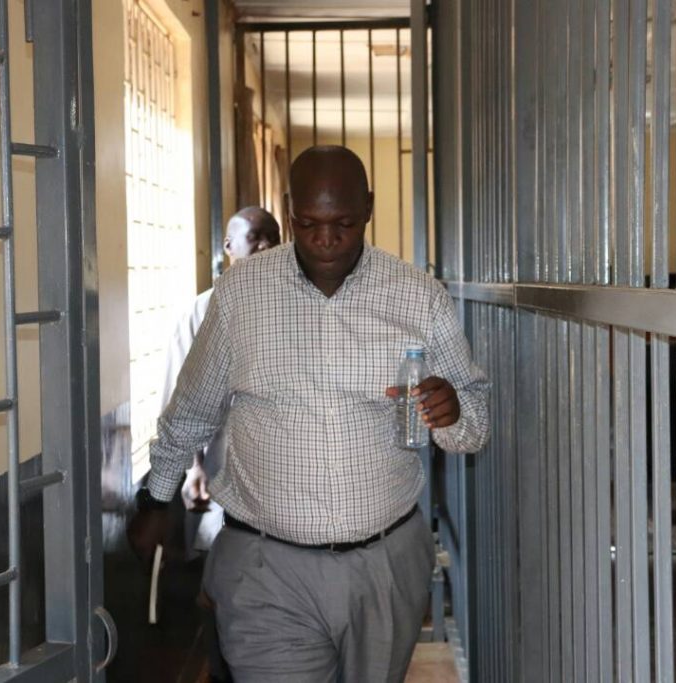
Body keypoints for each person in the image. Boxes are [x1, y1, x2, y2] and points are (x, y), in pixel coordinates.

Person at [129, 146, 490, 682]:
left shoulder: (419, 297)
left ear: (368, 208)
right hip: (266, 568)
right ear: (289, 209)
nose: (325, 239)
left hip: (384, 564)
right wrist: (157, 498)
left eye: (343, 223)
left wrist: (454, 409)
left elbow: (474, 426)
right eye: (307, 223)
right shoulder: (241, 295)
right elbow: (192, 409)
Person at [158, 206, 280, 683]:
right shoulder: (200, 313)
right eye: (254, 238)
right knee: (223, 591)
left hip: (281, 484)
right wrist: (191, 469)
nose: (265, 247)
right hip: (219, 476)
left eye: (272, 239)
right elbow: (180, 403)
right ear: (228, 248)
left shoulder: (294, 310)